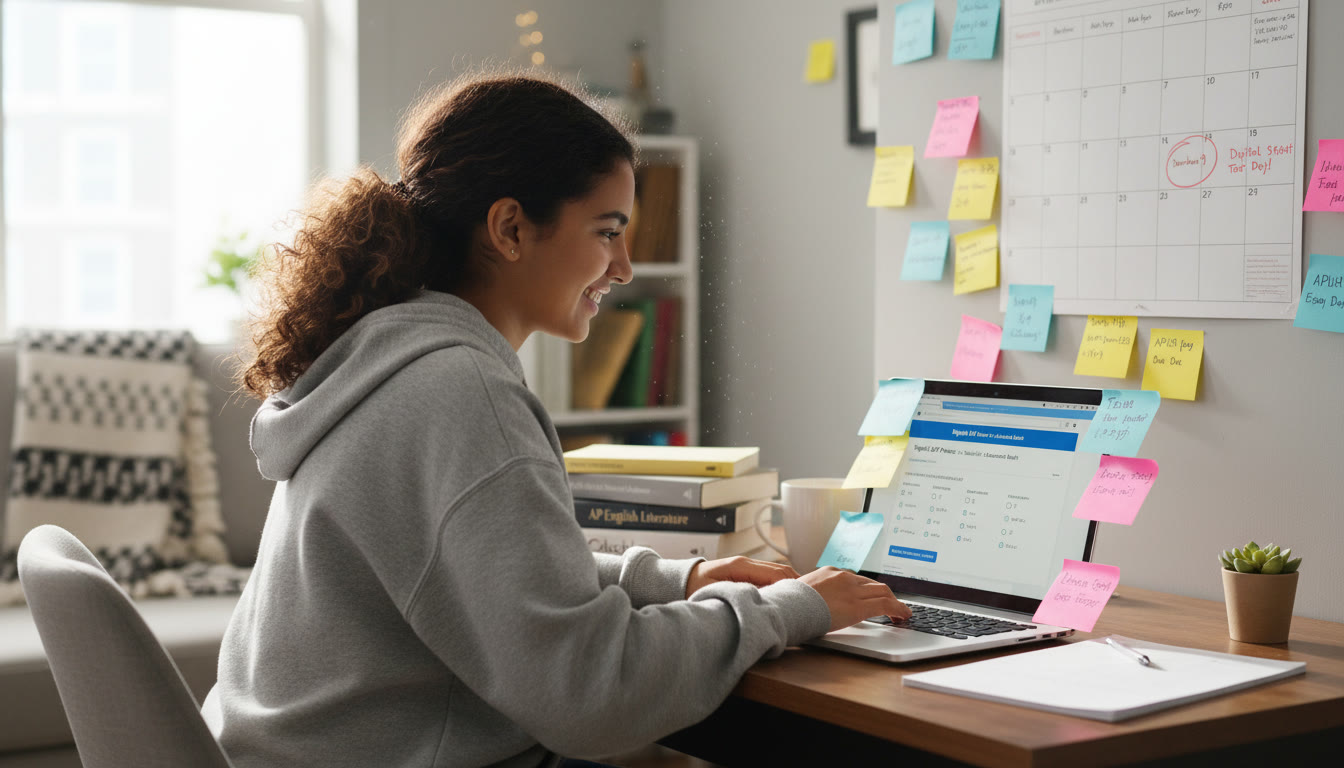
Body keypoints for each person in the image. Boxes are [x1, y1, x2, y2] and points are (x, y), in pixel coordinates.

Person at [202, 69, 910, 768]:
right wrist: (794, 609)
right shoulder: (461, 392)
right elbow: (593, 692)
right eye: (608, 232)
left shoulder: (390, 362)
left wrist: (677, 581)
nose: (626, 266)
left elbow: (506, 580)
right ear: (511, 228)